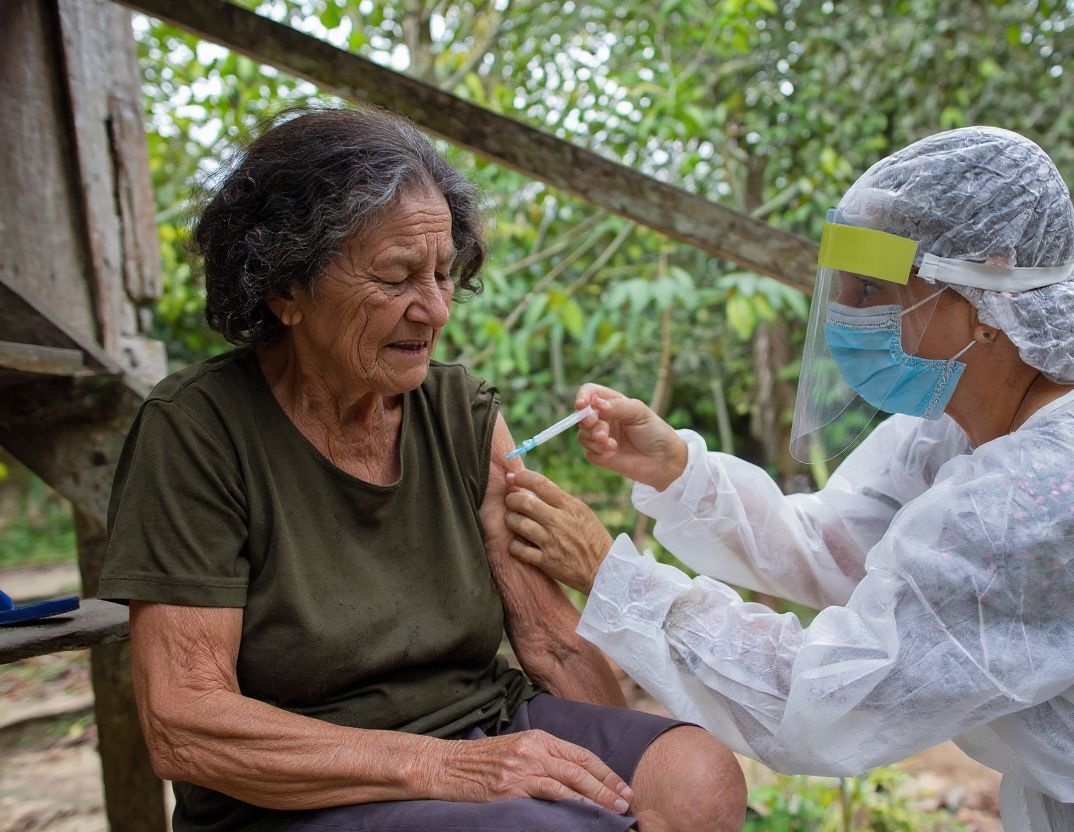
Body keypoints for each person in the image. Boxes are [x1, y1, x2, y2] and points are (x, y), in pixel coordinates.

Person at [502, 127, 1074, 831]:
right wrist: (678, 472)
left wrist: (615, 578)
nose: (845, 318)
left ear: (977, 301)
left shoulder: (1047, 495)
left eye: (869, 291)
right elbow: (839, 544)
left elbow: (822, 701)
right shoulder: (973, 414)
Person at [99, 106, 745, 832]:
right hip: (308, 787)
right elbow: (184, 722)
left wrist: (605, 790)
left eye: (442, 273)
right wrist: (441, 767)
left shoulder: (460, 410)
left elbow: (550, 638)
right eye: (398, 277)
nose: (434, 309)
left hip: (484, 725)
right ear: (285, 289)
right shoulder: (198, 428)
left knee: (698, 778)